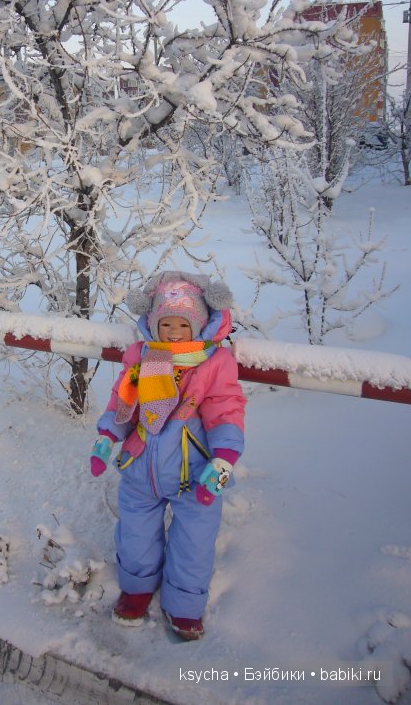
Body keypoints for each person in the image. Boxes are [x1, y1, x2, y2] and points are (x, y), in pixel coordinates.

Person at [90, 271, 245, 641]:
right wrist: (106, 436)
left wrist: (223, 460)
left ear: (200, 324)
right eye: (166, 323)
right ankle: (137, 588)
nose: (174, 332)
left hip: (194, 472)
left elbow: (226, 408)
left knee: (194, 541)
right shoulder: (143, 357)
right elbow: (122, 400)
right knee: (135, 532)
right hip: (141, 465)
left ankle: (184, 604)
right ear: (153, 323)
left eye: (182, 323)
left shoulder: (213, 363)